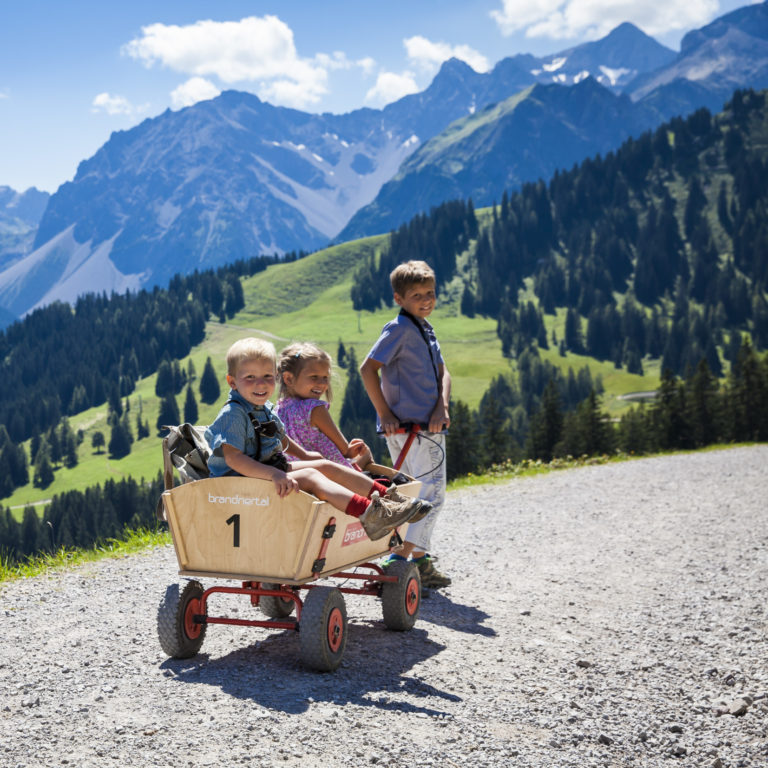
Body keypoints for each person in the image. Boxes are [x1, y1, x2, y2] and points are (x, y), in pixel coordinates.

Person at [204, 337, 431, 542]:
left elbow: (279, 437)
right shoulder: (233, 414)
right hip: (238, 482)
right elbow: (233, 459)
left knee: (323, 465)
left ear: (275, 377)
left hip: (264, 469)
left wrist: (303, 454)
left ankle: (391, 500)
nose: (260, 384)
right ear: (232, 382)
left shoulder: (262, 407)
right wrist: (274, 474)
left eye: (266, 377)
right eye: (250, 378)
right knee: (312, 475)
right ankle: (369, 513)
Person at [360, 260, 452, 589]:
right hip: (410, 429)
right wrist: (384, 413)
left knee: (413, 494)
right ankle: (397, 562)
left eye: (430, 293)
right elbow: (367, 369)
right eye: (416, 295)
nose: (426, 300)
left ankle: (420, 562)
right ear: (399, 298)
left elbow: (444, 373)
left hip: (429, 425)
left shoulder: (425, 328)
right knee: (429, 497)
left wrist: (442, 407)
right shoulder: (398, 329)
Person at [275, 341, 373, 469]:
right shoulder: (314, 408)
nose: (322, 384)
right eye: (314, 377)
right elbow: (344, 450)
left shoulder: (277, 411)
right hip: (334, 473)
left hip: (297, 473)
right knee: (366, 453)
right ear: (288, 379)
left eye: (325, 377)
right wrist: (353, 449)